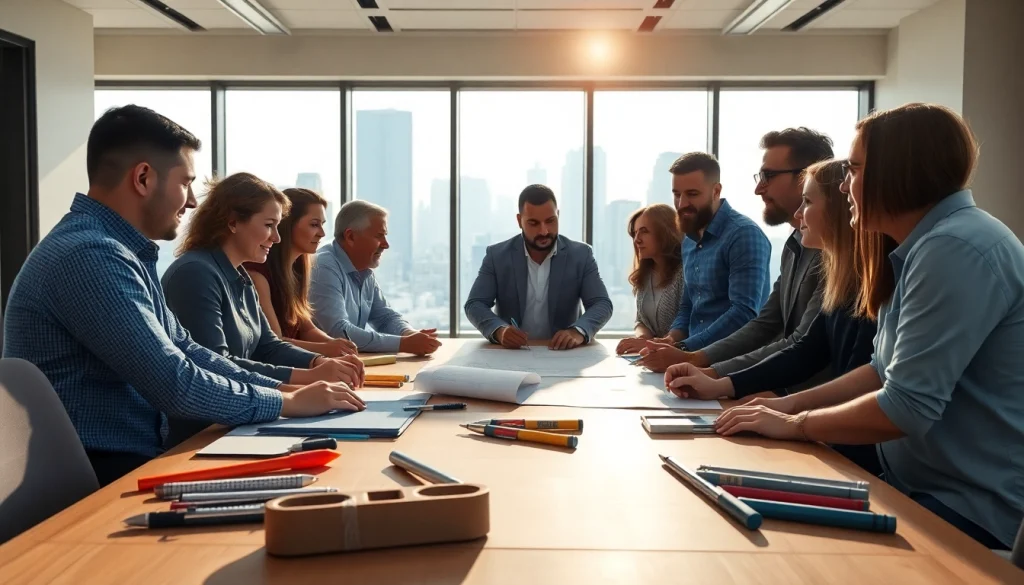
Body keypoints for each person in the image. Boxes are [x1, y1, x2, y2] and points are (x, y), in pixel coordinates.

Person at [713, 103, 1024, 550]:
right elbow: (880, 371)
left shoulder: (953, 249)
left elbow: (905, 407)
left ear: (897, 172)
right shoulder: (927, 247)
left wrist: (799, 423)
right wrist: (786, 410)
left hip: (967, 507)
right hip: (920, 487)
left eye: (854, 170)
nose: (845, 186)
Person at [1, 105, 363, 486]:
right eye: (185, 183)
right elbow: (175, 383)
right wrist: (287, 402)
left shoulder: (120, 253)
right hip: (102, 473)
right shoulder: (90, 256)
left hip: (133, 459)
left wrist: (290, 391)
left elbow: (187, 351)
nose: (191, 201)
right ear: (143, 178)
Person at [665, 160, 879, 474]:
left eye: (807, 202)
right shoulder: (833, 269)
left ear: (838, 208)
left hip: (852, 443)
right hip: (828, 431)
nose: (797, 215)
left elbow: (865, 379)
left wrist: (787, 410)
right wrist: (720, 383)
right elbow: (807, 348)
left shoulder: (870, 276)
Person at [162, 173, 365, 447]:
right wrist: (305, 380)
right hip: (202, 434)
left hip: (241, 420)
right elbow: (217, 364)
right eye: (270, 225)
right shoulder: (195, 273)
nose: (277, 238)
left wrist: (318, 363)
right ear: (232, 222)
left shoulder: (240, 276)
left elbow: (269, 345)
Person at [637, 130, 832, 382]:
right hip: (721, 365)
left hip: (758, 375)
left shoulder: (746, 235)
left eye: (768, 176)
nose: (758, 189)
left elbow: (761, 322)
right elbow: (766, 322)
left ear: (807, 178)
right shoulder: (794, 244)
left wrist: (699, 362)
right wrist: (678, 344)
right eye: (677, 194)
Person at [636, 152, 770, 371]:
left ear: (716, 191)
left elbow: (744, 313)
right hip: (693, 360)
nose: (682, 204)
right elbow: (689, 306)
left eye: (692, 194)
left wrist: (684, 349)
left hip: (733, 366)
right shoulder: (688, 240)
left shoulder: (744, 235)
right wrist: (671, 340)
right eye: (677, 194)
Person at [465, 184, 613, 349]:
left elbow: (601, 303)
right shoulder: (497, 256)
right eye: (534, 223)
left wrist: (577, 332)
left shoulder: (581, 255)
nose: (544, 231)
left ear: (558, 215)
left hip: (563, 354)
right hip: (512, 355)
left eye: (550, 221)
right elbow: (475, 304)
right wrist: (500, 331)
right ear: (519, 220)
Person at [309, 200, 441, 355]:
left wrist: (409, 334)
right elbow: (338, 331)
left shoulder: (363, 269)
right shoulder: (323, 266)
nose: (386, 244)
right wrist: (403, 344)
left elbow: (384, 317)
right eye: (379, 236)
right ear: (350, 236)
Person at [245, 187, 358, 358]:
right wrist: (327, 349)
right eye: (314, 225)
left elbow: (307, 329)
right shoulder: (257, 274)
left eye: (322, 224)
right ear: (287, 225)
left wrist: (334, 343)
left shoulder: (298, 271)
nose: (322, 233)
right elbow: (275, 343)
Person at [615, 204, 684, 355]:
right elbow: (640, 321)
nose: (637, 240)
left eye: (644, 232)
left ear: (664, 233)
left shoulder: (683, 274)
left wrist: (653, 345)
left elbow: (688, 323)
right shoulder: (645, 275)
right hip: (653, 357)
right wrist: (643, 340)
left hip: (679, 355)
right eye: (635, 233)